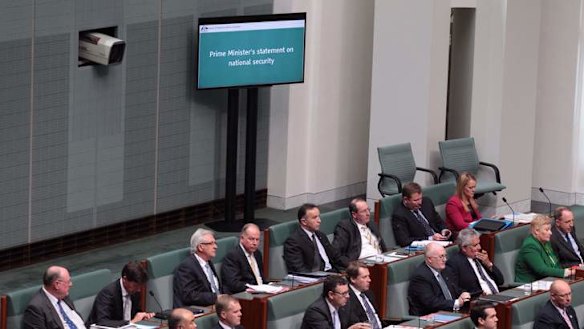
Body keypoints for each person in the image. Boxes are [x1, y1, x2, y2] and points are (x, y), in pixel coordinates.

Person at [407, 242, 470, 316]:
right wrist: (456, 303)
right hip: (430, 317)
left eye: (445, 256)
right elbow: (431, 303)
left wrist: (463, 294)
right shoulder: (420, 277)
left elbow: (454, 288)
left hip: (451, 311)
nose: (445, 259)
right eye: (441, 257)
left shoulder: (445, 270)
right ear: (430, 259)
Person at [87, 261, 155, 327]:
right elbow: (102, 322)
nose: (139, 290)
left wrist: (143, 316)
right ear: (125, 279)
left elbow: (135, 312)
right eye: (135, 286)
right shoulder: (108, 293)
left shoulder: (134, 292)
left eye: (140, 286)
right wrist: (131, 322)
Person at [284, 203, 343, 273]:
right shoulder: (293, 242)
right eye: (314, 218)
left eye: (319, 217)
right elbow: (299, 269)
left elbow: (334, 257)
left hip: (332, 273)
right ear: (304, 222)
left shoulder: (321, 235)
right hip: (314, 278)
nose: (319, 221)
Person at [515, 215, 575, 283]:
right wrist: (565, 272)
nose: (550, 233)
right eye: (547, 230)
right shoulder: (530, 246)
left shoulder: (545, 242)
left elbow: (554, 263)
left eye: (550, 229)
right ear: (537, 231)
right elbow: (541, 270)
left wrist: (568, 271)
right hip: (529, 285)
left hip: (546, 280)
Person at [446, 228, 503, 296]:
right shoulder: (454, 263)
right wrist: (475, 295)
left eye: (479, 243)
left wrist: (489, 264)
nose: (479, 247)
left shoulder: (482, 258)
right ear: (464, 248)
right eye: (475, 245)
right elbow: (456, 290)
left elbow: (501, 281)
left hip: (498, 295)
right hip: (480, 301)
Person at [174, 228, 222, 307]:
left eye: (215, 243)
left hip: (214, 305)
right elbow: (189, 295)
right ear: (200, 247)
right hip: (197, 308)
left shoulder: (208, 262)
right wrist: (215, 297)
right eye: (211, 243)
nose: (215, 246)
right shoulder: (187, 267)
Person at [300, 275, 371, 329]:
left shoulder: (345, 304)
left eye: (348, 292)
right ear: (331, 295)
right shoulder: (316, 311)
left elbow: (355, 323)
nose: (348, 296)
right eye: (343, 293)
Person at [392, 182, 451, 247]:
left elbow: (438, 221)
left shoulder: (426, 202)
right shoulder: (399, 215)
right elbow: (404, 241)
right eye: (416, 200)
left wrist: (444, 230)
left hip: (442, 241)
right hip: (425, 246)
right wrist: (430, 238)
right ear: (406, 200)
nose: (420, 202)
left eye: (420, 198)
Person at [332, 198, 387, 267]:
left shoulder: (372, 224)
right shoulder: (345, 227)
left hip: (380, 260)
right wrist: (352, 266)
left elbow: (382, 246)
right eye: (364, 211)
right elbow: (336, 254)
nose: (368, 214)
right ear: (354, 215)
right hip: (362, 264)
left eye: (368, 210)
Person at [221, 223, 264, 294]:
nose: (255, 243)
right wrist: (253, 288)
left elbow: (261, 277)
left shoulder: (257, 253)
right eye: (251, 239)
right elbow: (233, 284)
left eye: (257, 239)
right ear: (241, 238)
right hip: (245, 295)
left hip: (261, 291)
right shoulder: (233, 256)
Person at [345, 261, 383, 329]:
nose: (369, 280)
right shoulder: (347, 299)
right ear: (353, 279)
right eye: (364, 277)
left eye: (368, 276)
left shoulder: (369, 293)